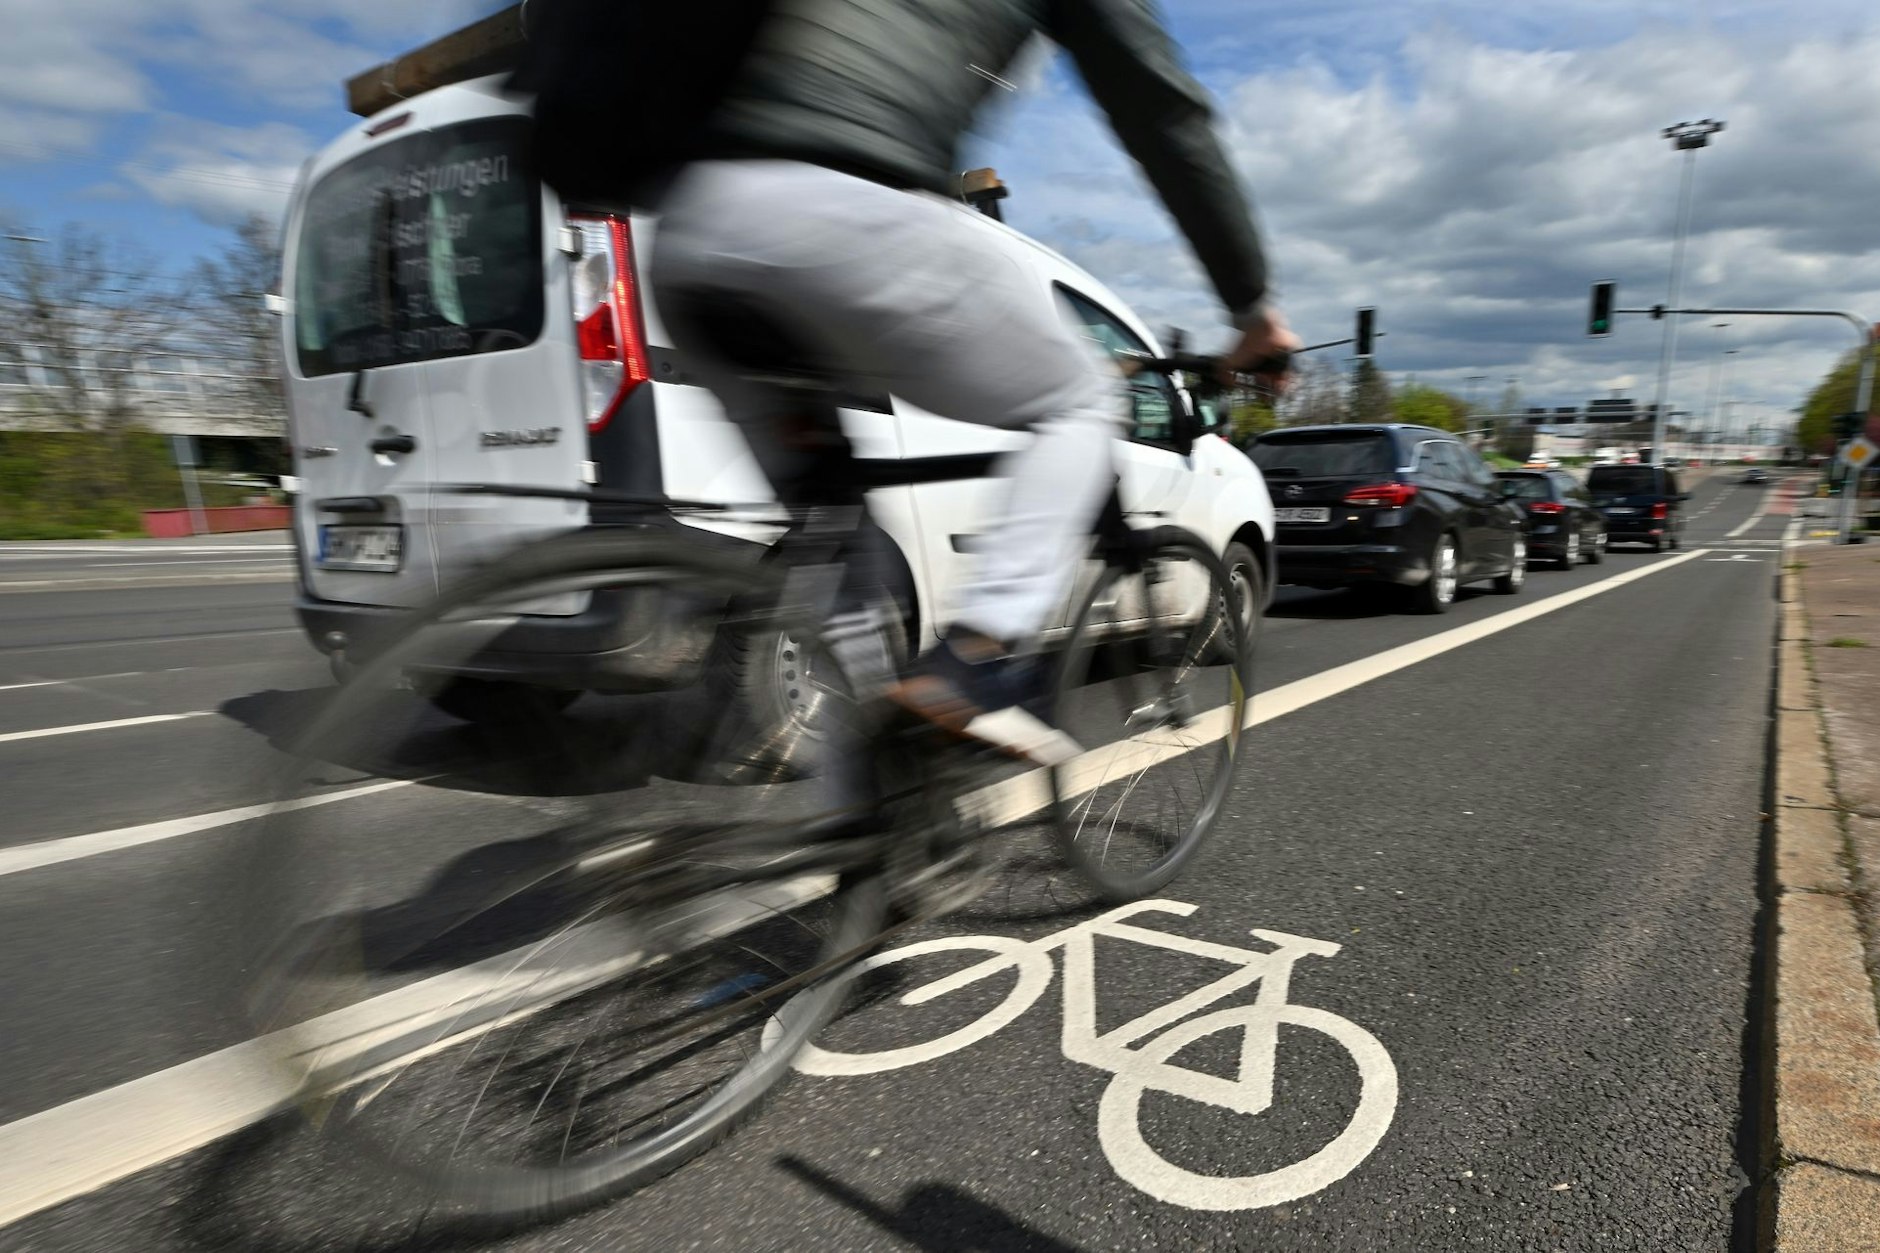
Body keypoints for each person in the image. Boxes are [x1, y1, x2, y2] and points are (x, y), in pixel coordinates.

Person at [645, 0, 1299, 764]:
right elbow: (1161, 109)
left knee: (829, 518)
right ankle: (975, 664)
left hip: (688, 232)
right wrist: (1251, 304)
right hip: (840, 208)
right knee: (1083, 399)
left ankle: (859, 817)